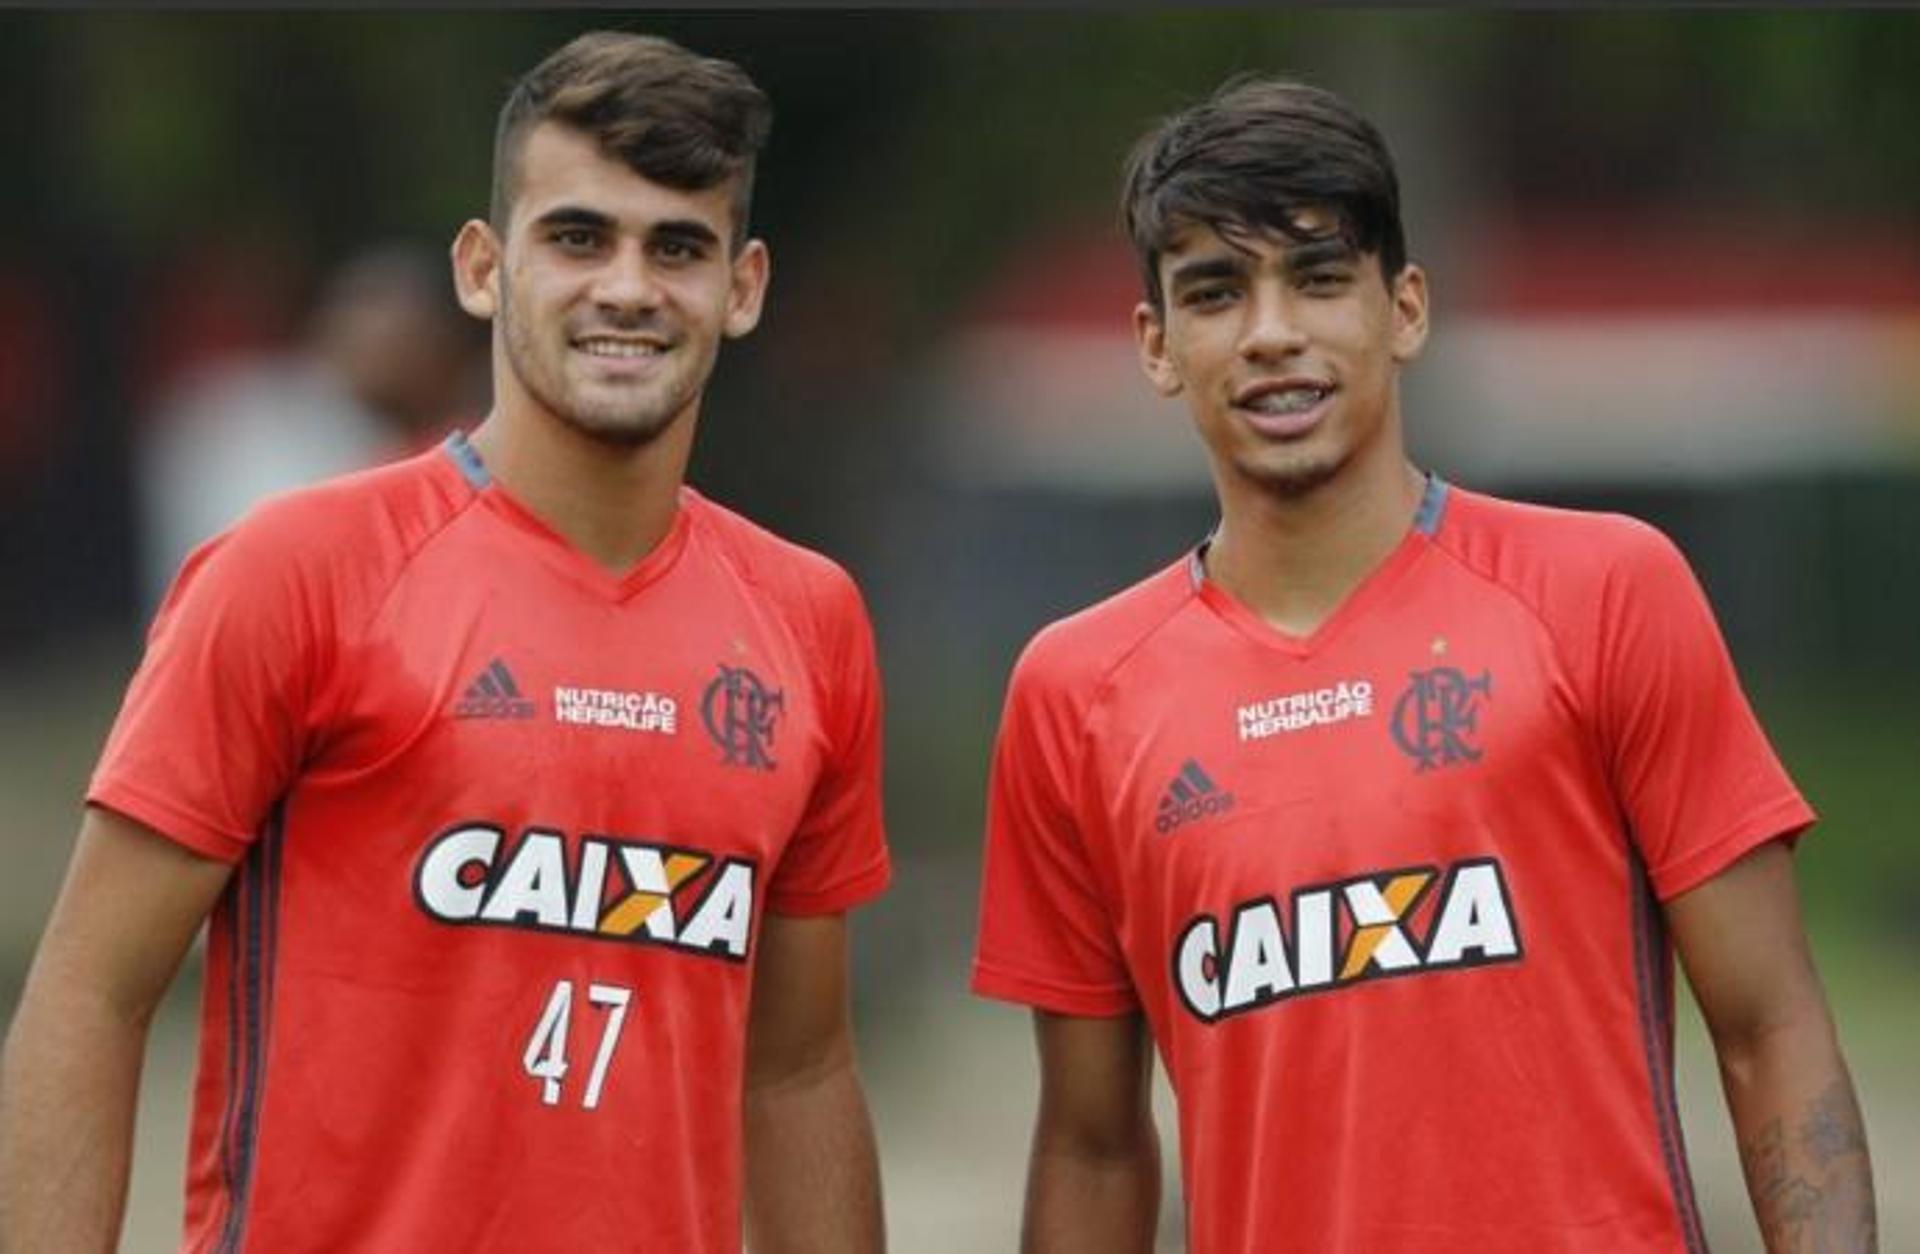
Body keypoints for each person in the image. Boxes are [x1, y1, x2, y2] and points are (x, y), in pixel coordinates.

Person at [1, 30, 889, 1253]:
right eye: (578, 237)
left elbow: (798, 1075)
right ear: (483, 268)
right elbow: (88, 997)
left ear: (742, 290)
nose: (627, 287)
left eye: (677, 246)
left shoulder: (808, 619)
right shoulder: (297, 572)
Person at [970, 76, 1876, 1253]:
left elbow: (1772, 1028)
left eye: (1318, 276)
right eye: (1215, 291)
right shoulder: (1075, 694)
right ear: (1157, 345)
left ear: (1404, 309)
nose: (1271, 332)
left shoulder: (1603, 591)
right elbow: (1092, 1147)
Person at [134, 241, 482, 614]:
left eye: (380, 310)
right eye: (347, 312)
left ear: (442, 336)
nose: (355, 335)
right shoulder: (362, 456)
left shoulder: (476, 463)